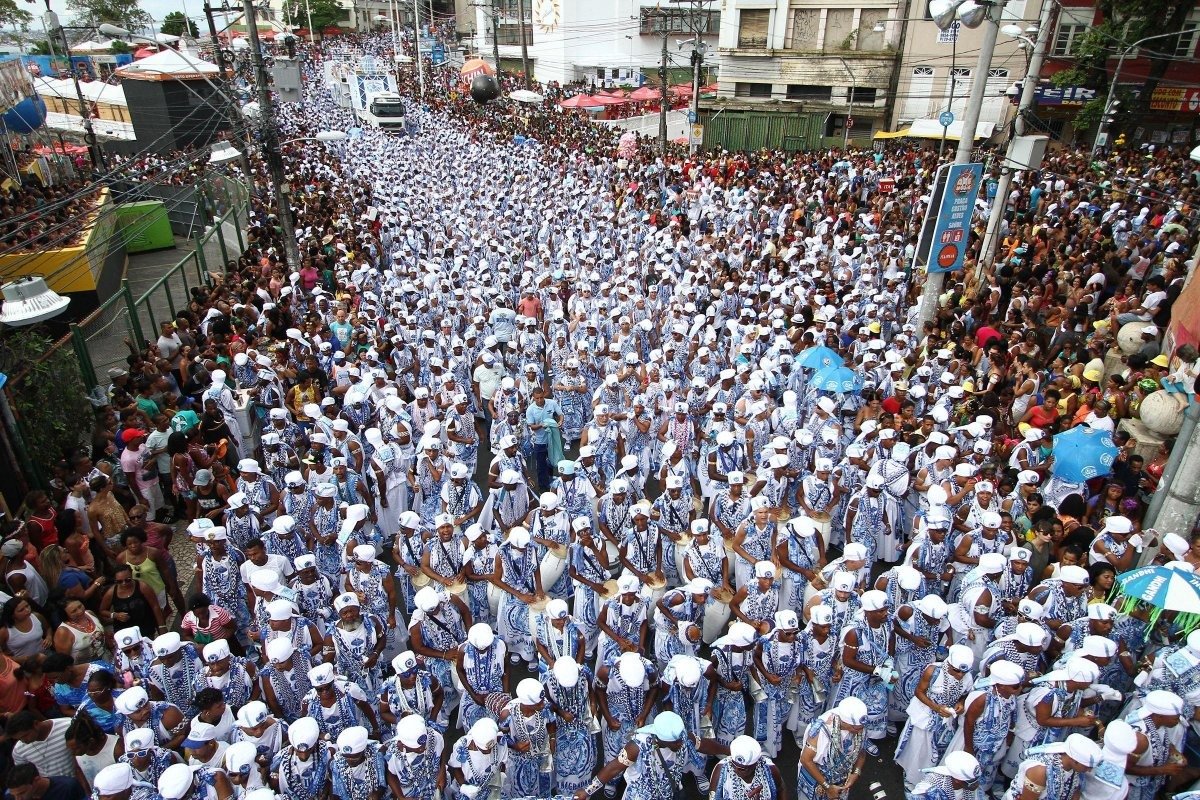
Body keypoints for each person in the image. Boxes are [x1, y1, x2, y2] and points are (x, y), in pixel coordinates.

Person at [797, 697, 868, 800]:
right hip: (815, 779)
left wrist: (856, 773)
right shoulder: (821, 730)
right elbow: (806, 760)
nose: (860, 732)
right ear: (844, 721)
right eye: (855, 728)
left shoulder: (860, 727)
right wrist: (828, 788)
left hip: (840, 779)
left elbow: (861, 752)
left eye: (861, 728)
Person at [3, 763, 88, 800]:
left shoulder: (67, 787)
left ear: (36, 780)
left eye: (22, 793)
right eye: (14, 795)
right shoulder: (9, 797)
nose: (18, 799)